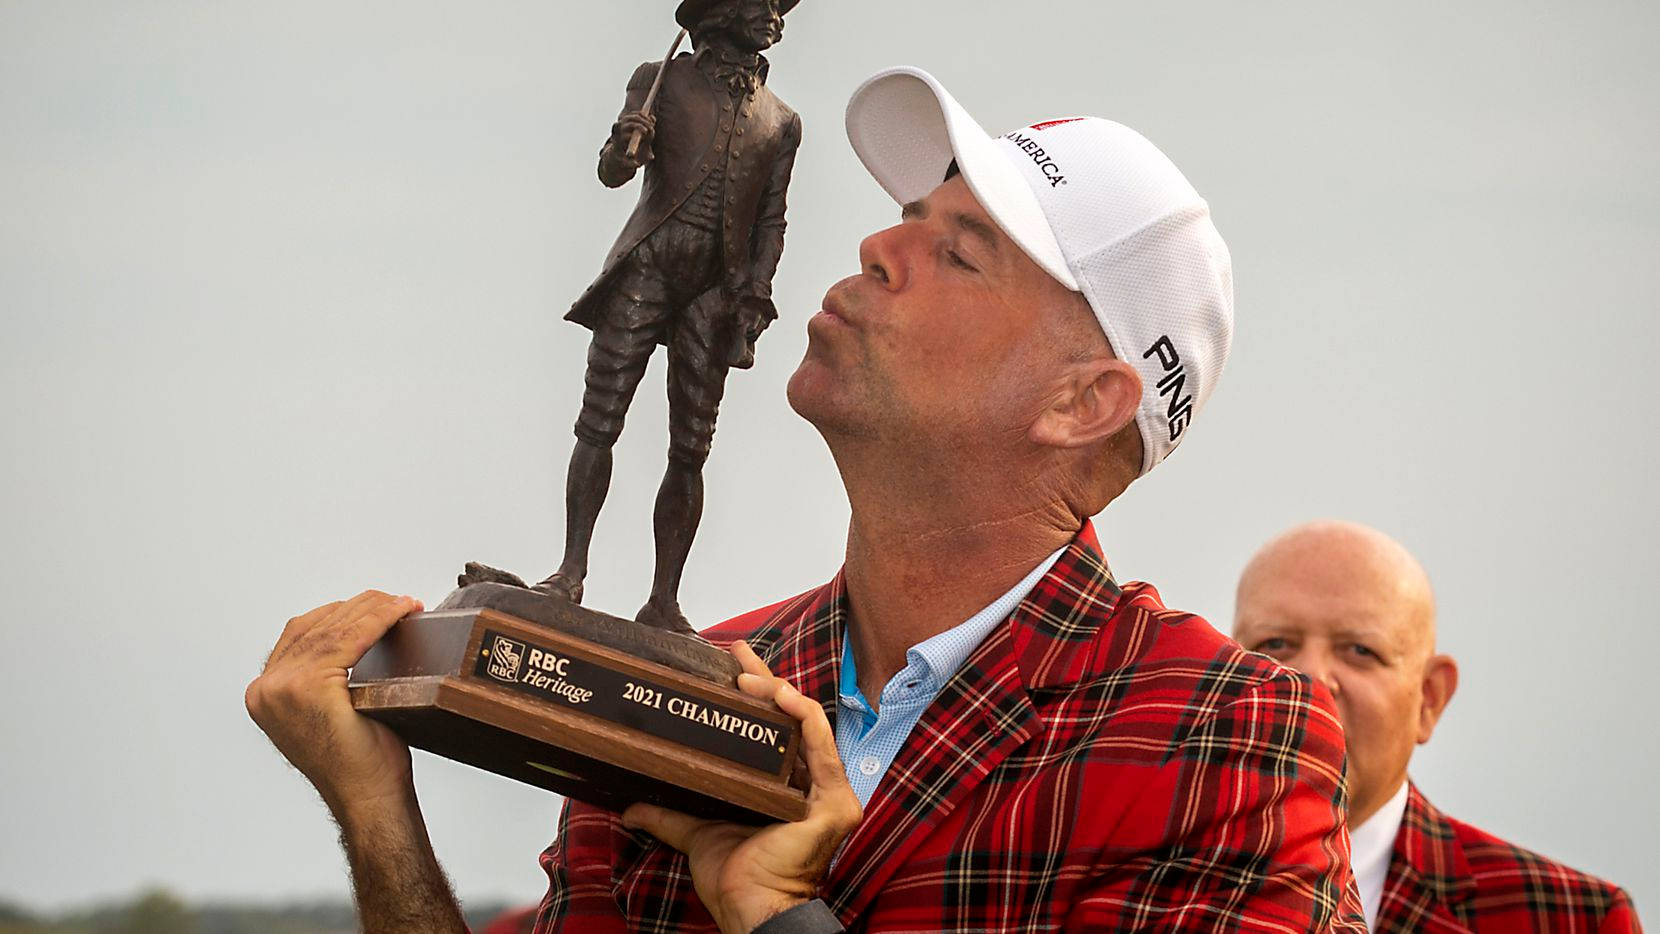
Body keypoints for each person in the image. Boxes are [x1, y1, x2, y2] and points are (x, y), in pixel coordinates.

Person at [247, 66, 1366, 933]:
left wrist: (779, 913)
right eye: (908, 217)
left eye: (961, 253)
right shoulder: (690, 677)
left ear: (1084, 402)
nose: (879, 244)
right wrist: (377, 815)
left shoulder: (1230, 736)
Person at [530, 0, 803, 634]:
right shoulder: (662, 77)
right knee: (600, 420)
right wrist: (627, 146)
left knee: (691, 449)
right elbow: (611, 172)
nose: (772, 16)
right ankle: (570, 571)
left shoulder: (783, 121)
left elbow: (772, 218)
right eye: (758, 3)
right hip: (648, 269)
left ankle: (664, 600)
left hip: (717, 291)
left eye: (777, 7)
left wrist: (756, 292)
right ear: (720, 11)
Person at [1233, 520, 1642, 933]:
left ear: (1429, 699)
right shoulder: (1166, 887)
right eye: (1274, 644)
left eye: (1359, 651)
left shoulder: (1569, 919)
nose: (1310, 681)